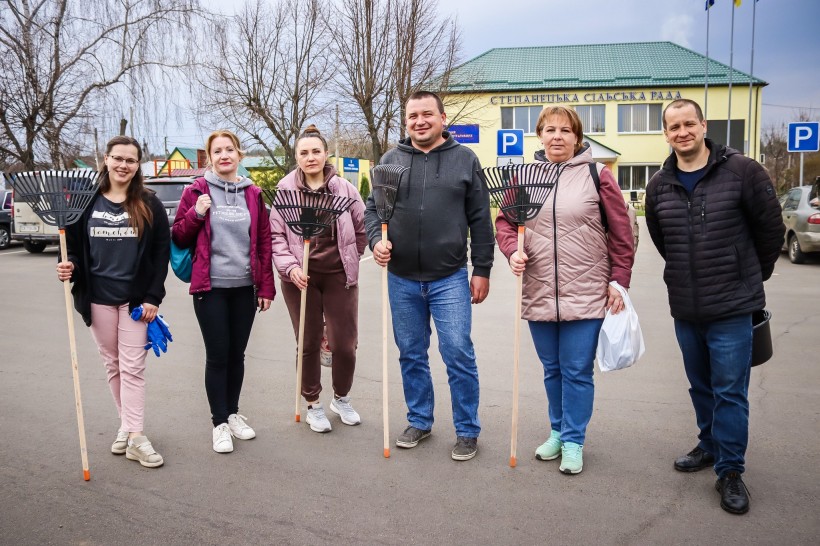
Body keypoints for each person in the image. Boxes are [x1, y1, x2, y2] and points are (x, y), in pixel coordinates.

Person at [645, 99, 784, 514]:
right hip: (686, 307)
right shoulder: (659, 184)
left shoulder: (743, 171)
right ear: (666, 134)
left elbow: (770, 229)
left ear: (703, 126)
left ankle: (729, 471)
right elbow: (661, 238)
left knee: (730, 391)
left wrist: (749, 277)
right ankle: (708, 445)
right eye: (674, 127)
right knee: (701, 386)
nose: (682, 132)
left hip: (732, 308)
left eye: (690, 123)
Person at [496, 106, 634, 475]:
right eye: (549, 129)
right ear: (539, 135)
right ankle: (556, 431)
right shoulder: (523, 175)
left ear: (577, 137)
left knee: (576, 370)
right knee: (552, 369)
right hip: (538, 289)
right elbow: (505, 225)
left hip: (587, 291)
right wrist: (513, 252)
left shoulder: (597, 174)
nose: (557, 136)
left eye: (565, 130)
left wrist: (619, 280)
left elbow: (622, 234)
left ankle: (574, 441)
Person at [364, 91, 494, 461]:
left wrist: (481, 269)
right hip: (402, 277)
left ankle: (467, 430)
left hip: (449, 276)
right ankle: (420, 420)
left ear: (442, 118)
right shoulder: (391, 160)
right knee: (411, 353)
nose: (419, 121)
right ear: (406, 121)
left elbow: (480, 219)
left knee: (457, 352)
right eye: (412, 116)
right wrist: (376, 241)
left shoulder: (464, 160)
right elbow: (373, 211)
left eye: (427, 115)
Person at [56, 136, 170, 468]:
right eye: (117, 158)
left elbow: (160, 253)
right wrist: (70, 266)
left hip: (135, 302)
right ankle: (128, 425)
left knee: (133, 367)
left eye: (131, 160)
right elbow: (75, 250)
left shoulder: (149, 203)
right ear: (106, 160)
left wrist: (153, 296)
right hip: (97, 300)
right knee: (113, 365)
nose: (123, 165)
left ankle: (136, 437)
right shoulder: (85, 202)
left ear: (138, 166)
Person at [172, 130, 275, 454]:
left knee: (237, 355)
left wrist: (267, 288)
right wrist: (197, 212)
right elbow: (178, 236)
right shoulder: (197, 191)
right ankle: (219, 423)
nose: (224, 155)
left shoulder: (253, 193)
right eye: (217, 151)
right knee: (218, 356)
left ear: (239, 155)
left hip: (245, 288)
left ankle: (232, 413)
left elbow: (263, 241)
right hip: (210, 288)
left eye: (229, 149)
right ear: (210, 157)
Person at [270, 125, 367, 433]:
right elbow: (276, 236)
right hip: (301, 278)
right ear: (296, 157)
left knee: (345, 344)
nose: (310, 157)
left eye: (315, 151)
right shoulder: (286, 190)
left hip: (339, 276)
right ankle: (313, 403)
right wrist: (290, 267)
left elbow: (361, 228)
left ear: (326, 154)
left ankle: (342, 397)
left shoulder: (344, 189)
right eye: (303, 152)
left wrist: (352, 256)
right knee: (309, 341)